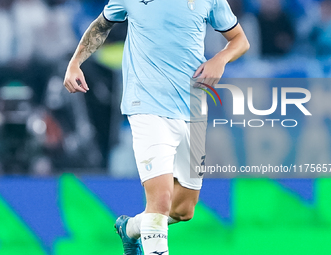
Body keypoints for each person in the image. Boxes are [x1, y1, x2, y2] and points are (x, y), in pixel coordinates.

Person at [63, 0, 249, 254]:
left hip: (192, 107)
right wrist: (75, 63)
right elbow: (101, 25)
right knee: (160, 201)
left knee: (184, 210)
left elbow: (240, 39)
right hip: (146, 105)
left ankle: (130, 228)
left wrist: (221, 59)